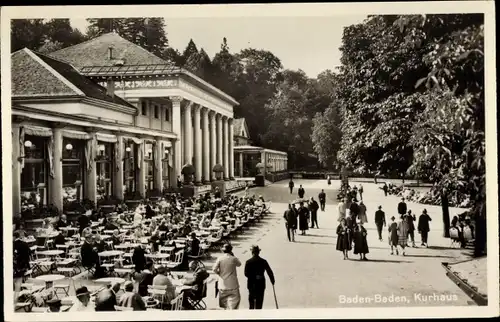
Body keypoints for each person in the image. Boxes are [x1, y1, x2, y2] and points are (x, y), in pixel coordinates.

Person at [244, 245, 275, 310]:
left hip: (251, 284)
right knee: (259, 302)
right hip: (261, 284)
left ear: (252, 252)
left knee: (251, 302)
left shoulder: (248, 262)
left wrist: (254, 277)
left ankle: (251, 316)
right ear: (258, 252)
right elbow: (269, 271)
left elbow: (246, 274)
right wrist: (272, 280)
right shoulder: (263, 261)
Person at [213, 243, 241, 310]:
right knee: (234, 306)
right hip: (233, 285)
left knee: (224, 307)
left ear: (223, 251)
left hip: (222, 285)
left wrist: (219, 274)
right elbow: (239, 264)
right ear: (231, 250)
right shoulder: (234, 259)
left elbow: (214, 269)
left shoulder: (220, 259)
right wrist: (233, 255)